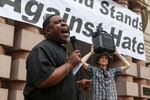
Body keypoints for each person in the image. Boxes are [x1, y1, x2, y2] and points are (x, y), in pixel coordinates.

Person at [23, 14, 91, 100]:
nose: (63, 23)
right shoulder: (41, 49)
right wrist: (69, 64)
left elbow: (58, 84)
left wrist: (77, 84)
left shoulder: (62, 50)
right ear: (47, 31)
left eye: (64, 21)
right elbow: (43, 80)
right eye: (57, 22)